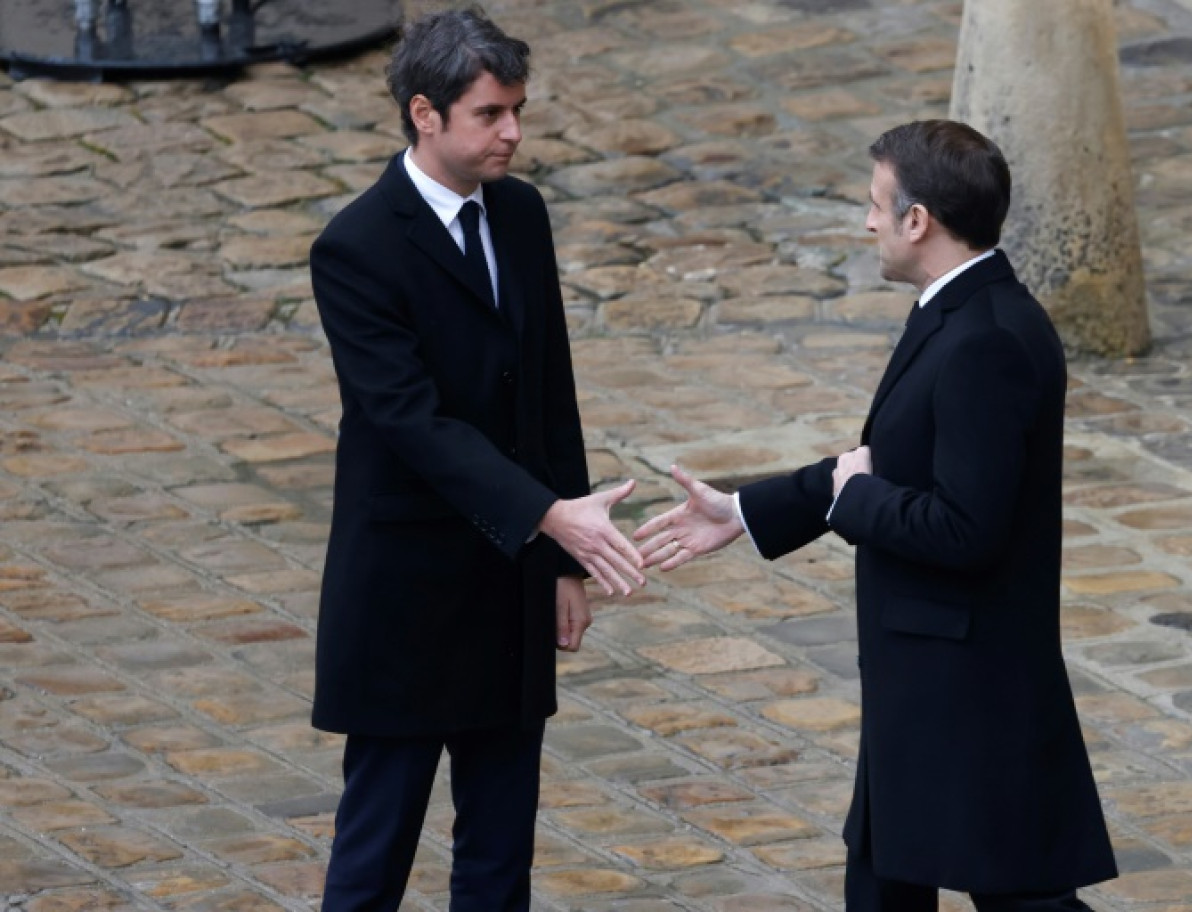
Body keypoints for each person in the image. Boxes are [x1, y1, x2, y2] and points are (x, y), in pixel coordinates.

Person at [635, 120, 1116, 911]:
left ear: (918, 220)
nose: (867, 222)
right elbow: (896, 461)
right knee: (887, 878)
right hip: (929, 675)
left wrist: (853, 499)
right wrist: (750, 510)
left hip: (968, 686)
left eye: (876, 205)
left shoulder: (984, 342)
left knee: (1020, 899)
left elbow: (965, 528)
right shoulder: (960, 313)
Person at [308, 9, 645, 911]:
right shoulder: (357, 247)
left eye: (517, 110)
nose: (514, 133)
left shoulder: (523, 214)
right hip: (405, 597)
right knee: (375, 851)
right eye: (492, 114)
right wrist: (549, 514)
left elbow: (547, 391)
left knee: (500, 854)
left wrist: (563, 558)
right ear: (425, 113)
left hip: (508, 584)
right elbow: (409, 421)